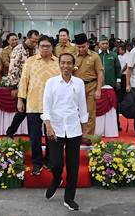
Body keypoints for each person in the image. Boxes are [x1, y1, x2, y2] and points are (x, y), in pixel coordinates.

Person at [43, 53, 88, 212]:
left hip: (73, 128)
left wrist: (84, 125)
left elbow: (82, 106)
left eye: (69, 63)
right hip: (55, 128)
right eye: (63, 63)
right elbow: (46, 106)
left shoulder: (79, 83)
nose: (66, 66)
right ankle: (56, 179)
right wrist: (48, 125)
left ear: (73, 65)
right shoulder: (51, 83)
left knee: (73, 165)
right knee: (56, 163)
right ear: (59, 64)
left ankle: (69, 198)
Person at [17, 35, 59, 175]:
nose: (45, 49)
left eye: (47, 46)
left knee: (51, 136)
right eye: (42, 46)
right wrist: (20, 99)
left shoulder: (58, 62)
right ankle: (37, 163)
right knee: (34, 137)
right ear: (38, 47)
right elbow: (24, 81)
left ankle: (49, 161)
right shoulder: (30, 61)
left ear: (52, 47)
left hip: (53, 106)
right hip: (33, 104)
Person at [5, 30, 39, 137]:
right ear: (27, 38)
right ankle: (10, 133)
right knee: (21, 112)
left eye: (36, 41)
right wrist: (14, 87)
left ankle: (31, 135)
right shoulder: (18, 49)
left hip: (34, 86)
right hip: (21, 85)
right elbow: (13, 69)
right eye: (33, 41)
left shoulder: (37, 49)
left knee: (31, 113)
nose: (34, 43)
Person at [72, 33, 103, 139]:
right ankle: (77, 135)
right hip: (76, 89)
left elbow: (100, 73)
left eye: (83, 46)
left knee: (90, 113)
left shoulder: (95, 56)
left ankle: (88, 137)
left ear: (88, 45)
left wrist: (98, 90)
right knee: (76, 112)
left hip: (91, 86)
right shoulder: (72, 57)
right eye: (79, 47)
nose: (81, 49)